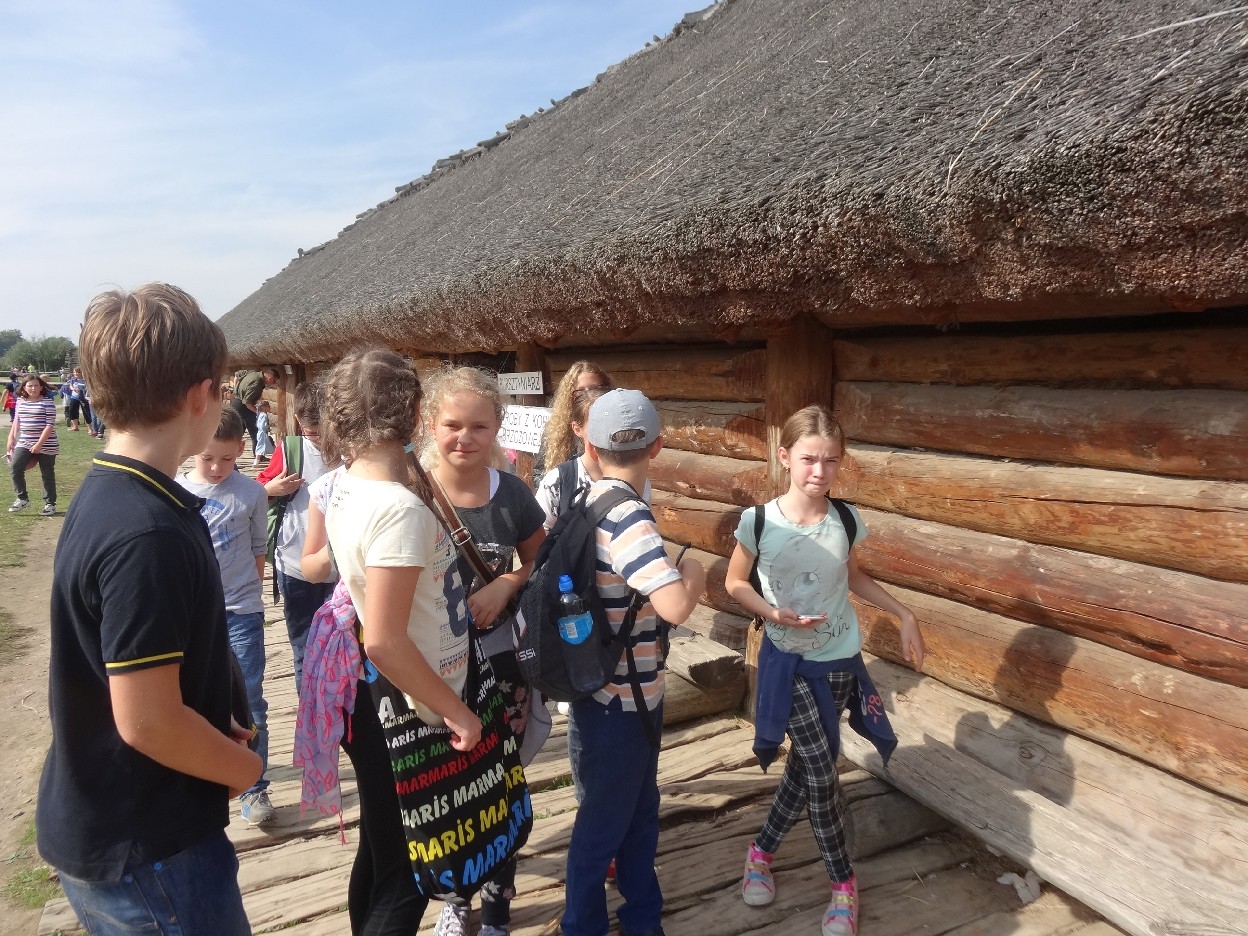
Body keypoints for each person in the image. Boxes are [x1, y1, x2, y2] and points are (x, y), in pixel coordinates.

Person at [36, 283, 262, 936]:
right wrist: (245, 770)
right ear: (201, 395)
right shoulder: (146, 531)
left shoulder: (116, 492)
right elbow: (149, 722)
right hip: (149, 849)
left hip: (121, 822)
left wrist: (209, 717)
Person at [723, 404, 926, 936]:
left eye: (831, 460)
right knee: (820, 768)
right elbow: (734, 583)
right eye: (809, 459)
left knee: (804, 768)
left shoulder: (847, 519)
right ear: (784, 456)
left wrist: (904, 613)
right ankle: (842, 882)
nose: (820, 471)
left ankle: (761, 851)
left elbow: (852, 577)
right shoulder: (759, 521)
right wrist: (773, 614)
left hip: (838, 664)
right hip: (786, 663)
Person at [313, 348, 482, 936]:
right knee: (409, 873)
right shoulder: (397, 510)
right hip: (411, 701)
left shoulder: (344, 487)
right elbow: (385, 640)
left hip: (375, 695)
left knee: (383, 845)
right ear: (413, 415)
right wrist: (457, 710)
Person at [562, 388, 706, 936]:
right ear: (658, 446)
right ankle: (585, 925)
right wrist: (692, 574)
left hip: (606, 691)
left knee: (637, 812)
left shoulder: (588, 500)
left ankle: (642, 915)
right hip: (624, 701)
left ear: (591, 448)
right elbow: (674, 606)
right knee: (604, 825)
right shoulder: (628, 517)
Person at [422, 366, 548, 936]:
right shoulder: (414, 494)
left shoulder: (512, 493)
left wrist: (507, 583)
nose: (464, 438)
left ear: (497, 428)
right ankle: (457, 894)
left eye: (479, 426)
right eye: (452, 424)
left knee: (501, 778)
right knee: (450, 783)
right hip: (436, 670)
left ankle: (497, 900)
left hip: (501, 662)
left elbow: (540, 558)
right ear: (432, 423)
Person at [179, 406, 275, 826]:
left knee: (250, 698)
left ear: (241, 450)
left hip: (240, 612)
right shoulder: (176, 489)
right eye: (208, 458)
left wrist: (251, 595)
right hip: (191, 615)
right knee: (192, 697)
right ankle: (200, 774)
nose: (217, 468)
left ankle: (254, 787)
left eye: (228, 459)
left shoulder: (252, 493)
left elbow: (258, 548)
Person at [258, 382, 336, 694]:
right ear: (298, 420)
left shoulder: (349, 452)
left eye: (320, 430)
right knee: (303, 644)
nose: (314, 435)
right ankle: (309, 706)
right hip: (294, 562)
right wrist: (271, 489)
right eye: (308, 429)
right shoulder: (291, 449)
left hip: (340, 566)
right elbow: (259, 489)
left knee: (342, 643)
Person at [532, 360, 612, 484]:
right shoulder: (555, 429)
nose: (587, 394)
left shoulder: (618, 424)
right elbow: (539, 473)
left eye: (594, 388)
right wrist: (558, 488)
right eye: (580, 391)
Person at [7, 373, 59, 516]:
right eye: (30, 386)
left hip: (47, 443)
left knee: (47, 473)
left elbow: (49, 425)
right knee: (15, 467)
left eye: (36, 385)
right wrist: (11, 438)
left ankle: (50, 504)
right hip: (25, 441)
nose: (34, 388)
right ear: (24, 387)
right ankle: (22, 498)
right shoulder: (20, 401)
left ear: (41, 387)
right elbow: (16, 421)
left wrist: (39, 444)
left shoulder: (47, 402)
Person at [232, 365, 280, 455]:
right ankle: (259, 455)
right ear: (270, 377)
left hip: (235, 402)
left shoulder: (253, 373)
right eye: (274, 381)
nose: (273, 384)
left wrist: (235, 389)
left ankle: (229, 451)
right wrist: (258, 412)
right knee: (256, 431)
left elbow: (237, 374)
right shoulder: (257, 383)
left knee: (238, 431)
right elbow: (247, 402)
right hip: (243, 406)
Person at [60, 366, 92, 433]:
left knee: (86, 413)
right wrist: (73, 389)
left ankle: (90, 429)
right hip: (74, 397)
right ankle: (75, 427)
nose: (75, 374)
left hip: (83, 398)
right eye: (74, 372)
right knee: (72, 411)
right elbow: (71, 386)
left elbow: (88, 388)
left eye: (77, 372)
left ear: (82, 373)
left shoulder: (85, 380)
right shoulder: (73, 379)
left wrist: (82, 390)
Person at [253, 399, 275, 466]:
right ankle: (256, 462)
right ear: (264, 407)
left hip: (260, 433)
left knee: (271, 446)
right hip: (263, 434)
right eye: (268, 406)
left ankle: (275, 460)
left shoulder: (260, 414)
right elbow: (262, 426)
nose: (269, 407)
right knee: (260, 446)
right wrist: (268, 426)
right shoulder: (264, 415)